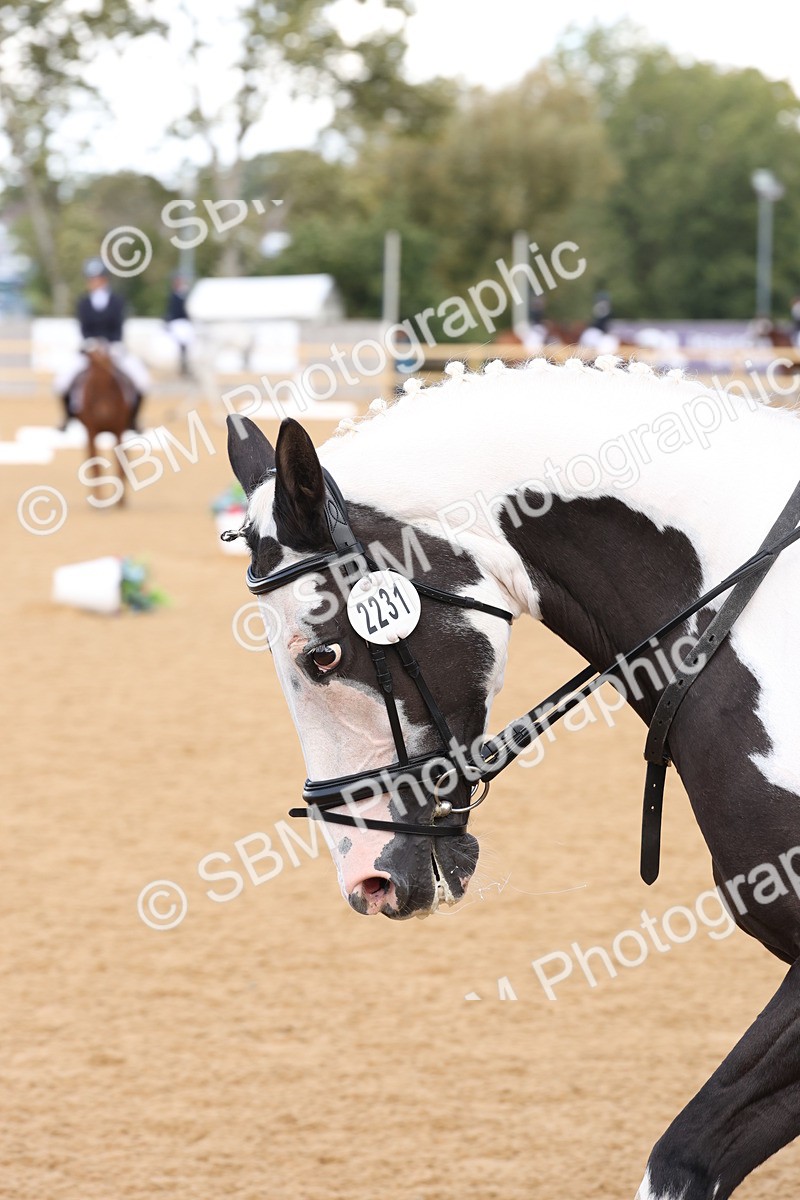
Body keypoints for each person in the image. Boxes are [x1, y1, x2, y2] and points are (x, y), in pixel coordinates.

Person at [54, 258, 150, 430]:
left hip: (113, 348)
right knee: (62, 381)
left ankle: (133, 419)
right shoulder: (83, 302)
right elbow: (84, 329)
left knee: (142, 379)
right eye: (91, 279)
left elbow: (118, 328)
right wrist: (92, 344)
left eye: (97, 278)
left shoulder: (117, 301)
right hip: (90, 349)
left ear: (105, 279)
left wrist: (110, 345)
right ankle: (69, 416)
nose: (94, 282)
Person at [164, 274, 194, 377]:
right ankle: (182, 363)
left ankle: (186, 362)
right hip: (177, 322)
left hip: (182, 322)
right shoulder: (174, 296)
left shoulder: (182, 295)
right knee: (182, 340)